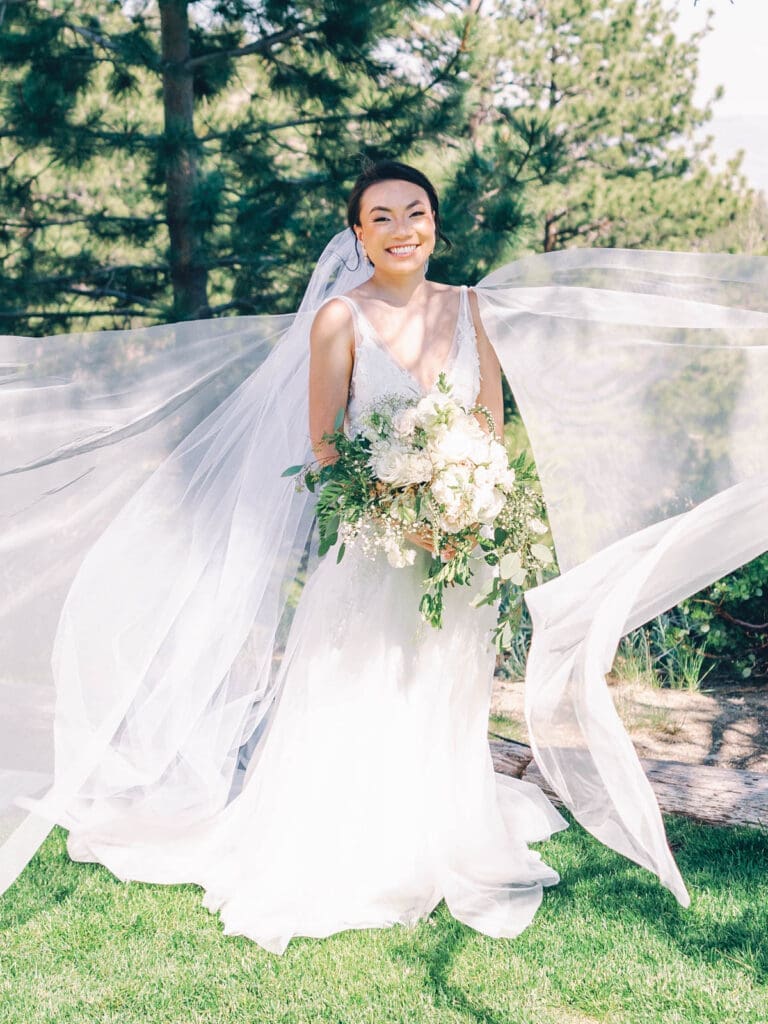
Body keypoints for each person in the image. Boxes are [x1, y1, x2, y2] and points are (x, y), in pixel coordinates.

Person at [1, 159, 767, 955]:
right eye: (383, 218)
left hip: (459, 550)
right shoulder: (341, 319)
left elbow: (489, 426)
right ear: (359, 235)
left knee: (442, 688)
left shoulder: (472, 310)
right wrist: (401, 518)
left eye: (416, 213)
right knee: (361, 686)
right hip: (374, 554)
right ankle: (352, 839)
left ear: (435, 223)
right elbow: (328, 448)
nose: (403, 230)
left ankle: (436, 825)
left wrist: (470, 504)